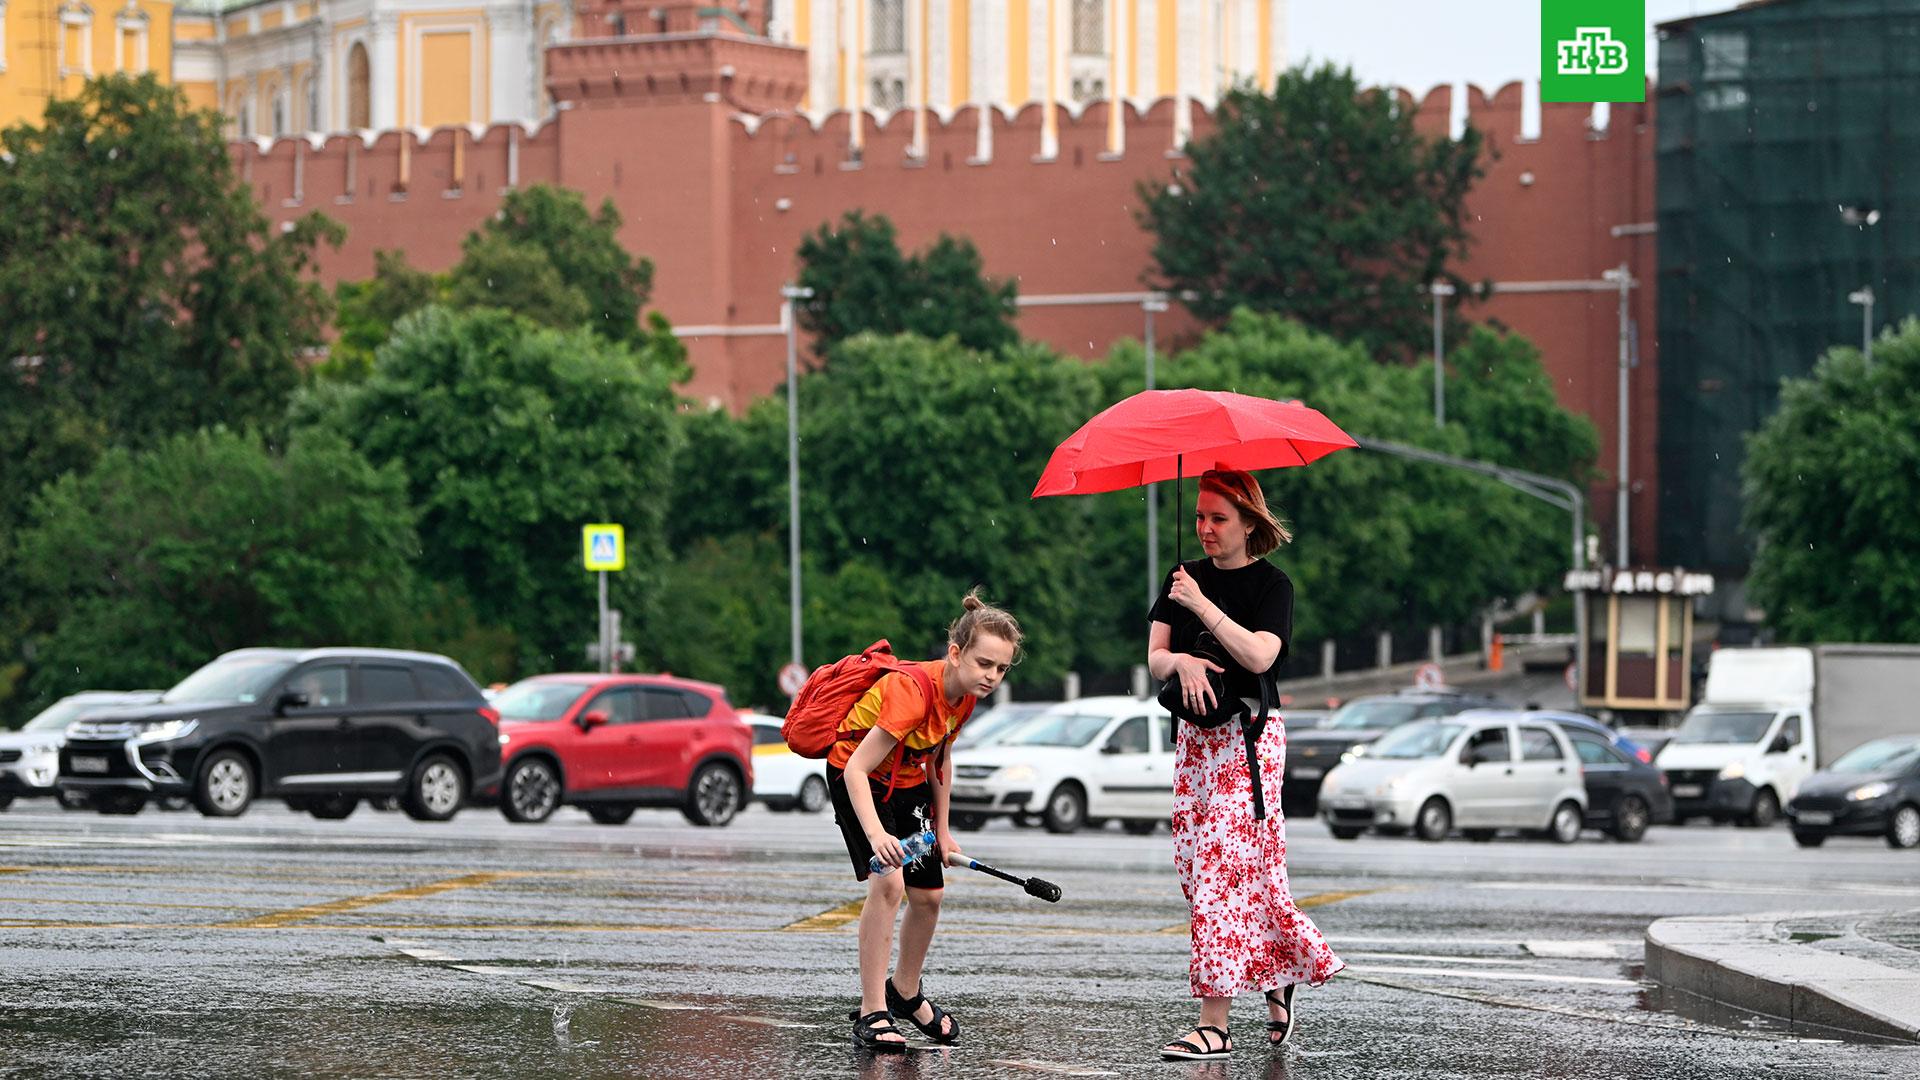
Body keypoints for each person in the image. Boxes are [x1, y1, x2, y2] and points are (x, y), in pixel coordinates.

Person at [1148, 468, 1344, 1059]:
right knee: (1195, 869)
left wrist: (1203, 607)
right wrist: (1179, 662)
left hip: (1249, 740)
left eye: (1218, 519)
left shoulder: (1271, 586)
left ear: (1248, 523)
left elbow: (1261, 655)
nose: (1204, 529)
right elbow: (1155, 657)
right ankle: (1278, 967)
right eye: (1200, 517)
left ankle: (1215, 1023)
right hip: (1194, 741)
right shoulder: (1181, 578)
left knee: (1221, 874)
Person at [829, 589, 1022, 1052]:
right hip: (860, 777)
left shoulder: (967, 697)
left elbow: (940, 758)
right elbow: (855, 767)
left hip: (909, 777)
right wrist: (877, 834)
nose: (992, 676)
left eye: (1001, 668)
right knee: (890, 884)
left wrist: (945, 829)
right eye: (983, 664)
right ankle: (872, 1009)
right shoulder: (913, 693)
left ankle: (905, 990)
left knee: (930, 896)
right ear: (955, 654)